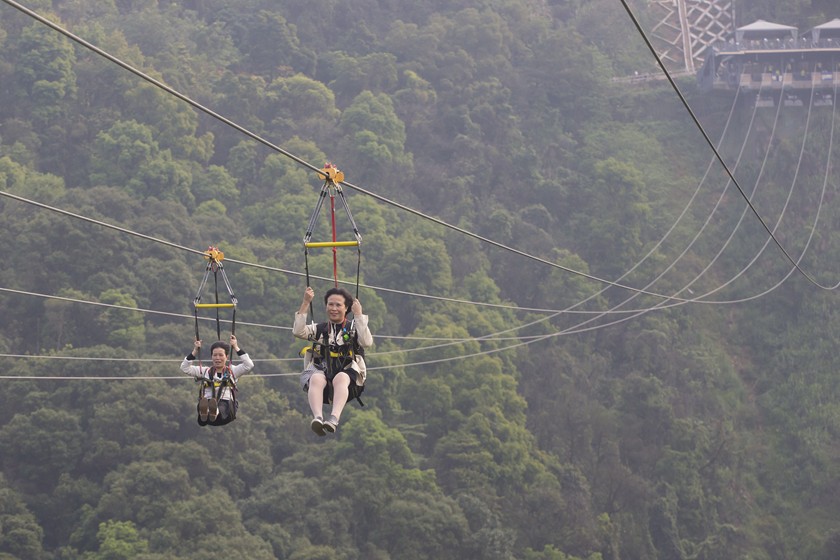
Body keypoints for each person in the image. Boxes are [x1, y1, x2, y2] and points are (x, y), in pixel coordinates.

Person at [294, 286, 373, 436]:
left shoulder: (353, 328)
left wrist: (359, 315)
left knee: (341, 377)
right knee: (316, 377)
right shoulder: (320, 329)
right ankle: (318, 417)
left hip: (350, 381)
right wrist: (305, 303)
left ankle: (334, 418)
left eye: (338, 305)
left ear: (346, 308)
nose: (334, 308)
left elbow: (366, 342)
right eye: (330, 304)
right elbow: (298, 331)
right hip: (323, 376)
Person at [181, 334, 254, 426]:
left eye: (220, 355)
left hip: (227, 409)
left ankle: (214, 411)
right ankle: (207, 411)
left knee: (221, 406)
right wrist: (195, 350)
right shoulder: (204, 371)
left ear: (226, 357)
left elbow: (249, 365)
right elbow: (185, 368)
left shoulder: (232, 371)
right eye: (215, 355)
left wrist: (236, 347)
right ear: (211, 356)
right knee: (206, 403)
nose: (217, 358)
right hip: (207, 404)